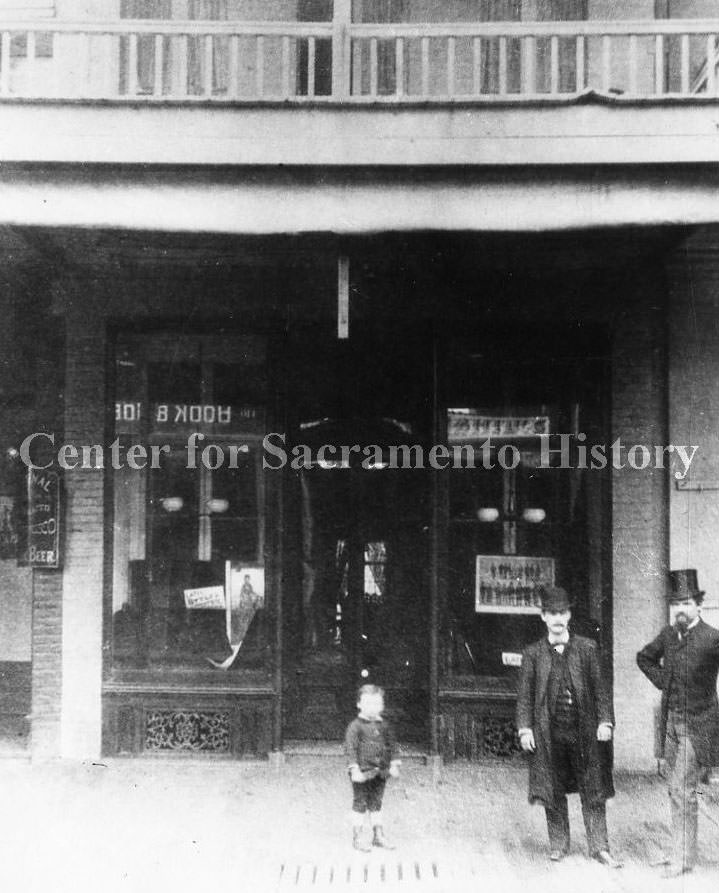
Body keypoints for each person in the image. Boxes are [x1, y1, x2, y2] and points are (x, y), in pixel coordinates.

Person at [516, 585, 621, 867]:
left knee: (593, 787)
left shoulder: (587, 649)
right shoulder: (533, 653)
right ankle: (559, 844)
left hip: (584, 732)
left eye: (562, 612)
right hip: (549, 734)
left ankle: (599, 847)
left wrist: (605, 721)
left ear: (569, 614)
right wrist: (525, 729)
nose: (558, 618)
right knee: (553, 787)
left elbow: (601, 689)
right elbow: (525, 695)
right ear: (543, 617)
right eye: (552, 613)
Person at [636, 568, 719, 879]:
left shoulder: (713, 638)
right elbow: (644, 657)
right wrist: (664, 682)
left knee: (681, 788)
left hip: (700, 726)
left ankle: (682, 859)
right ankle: (679, 853)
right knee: (676, 791)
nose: (680, 610)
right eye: (676, 604)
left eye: (686, 603)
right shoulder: (668, 635)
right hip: (671, 725)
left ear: (698, 604)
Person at [344, 684, 401, 852]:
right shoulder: (355, 727)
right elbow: (350, 749)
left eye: (377, 704)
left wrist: (394, 764)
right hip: (362, 773)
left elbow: (393, 746)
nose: (372, 708)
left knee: (377, 803)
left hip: (381, 772)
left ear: (382, 706)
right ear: (359, 704)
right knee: (360, 802)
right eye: (368, 703)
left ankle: (378, 835)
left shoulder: (385, 726)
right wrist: (354, 769)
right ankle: (358, 837)